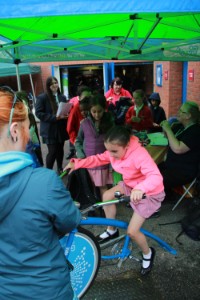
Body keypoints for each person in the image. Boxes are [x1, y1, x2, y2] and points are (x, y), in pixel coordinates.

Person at [0, 87, 81, 299]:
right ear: (15, 130)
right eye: (29, 128)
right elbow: (69, 221)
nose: (30, 136)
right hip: (46, 289)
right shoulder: (44, 183)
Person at [64, 125, 165, 275]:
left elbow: (156, 177)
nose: (110, 155)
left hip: (148, 192)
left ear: (127, 145)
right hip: (131, 185)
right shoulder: (114, 151)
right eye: (109, 150)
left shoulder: (139, 154)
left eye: (114, 151)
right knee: (107, 196)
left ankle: (148, 253)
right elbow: (99, 159)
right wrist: (77, 163)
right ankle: (112, 230)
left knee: (132, 232)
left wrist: (141, 188)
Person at [75, 94, 114, 198]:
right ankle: (95, 207)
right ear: (89, 110)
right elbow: (78, 141)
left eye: (100, 111)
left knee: (102, 186)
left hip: (102, 163)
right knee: (90, 187)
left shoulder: (110, 123)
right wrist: (80, 154)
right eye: (94, 112)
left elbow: (114, 141)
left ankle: (105, 207)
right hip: (88, 162)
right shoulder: (84, 123)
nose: (97, 114)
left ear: (104, 109)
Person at [160, 101, 200, 195]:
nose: (178, 112)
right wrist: (165, 129)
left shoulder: (196, 131)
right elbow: (169, 140)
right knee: (149, 170)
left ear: (188, 116)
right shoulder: (180, 126)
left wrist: (168, 129)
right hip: (171, 165)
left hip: (183, 171)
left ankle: (150, 202)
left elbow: (178, 149)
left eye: (181, 111)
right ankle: (160, 195)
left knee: (154, 178)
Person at [35, 76, 69, 174]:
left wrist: (66, 114)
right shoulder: (42, 97)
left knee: (60, 150)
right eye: (52, 83)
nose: (55, 85)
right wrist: (54, 117)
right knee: (52, 151)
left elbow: (64, 110)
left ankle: (59, 168)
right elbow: (39, 113)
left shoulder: (62, 97)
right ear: (48, 86)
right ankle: (48, 172)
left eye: (56, 82)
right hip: (49, 130)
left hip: (61, 128)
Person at [16, 90, 44, 167]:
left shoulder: (30, 116)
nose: (26, 107)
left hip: (34, 152)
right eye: (22, 104)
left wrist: (39, 155)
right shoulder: (14, 121)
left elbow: (35, 136)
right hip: (23, 158)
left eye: (26, 103)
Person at [66, 86, 92, 159]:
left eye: (90, 97)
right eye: (85, 97)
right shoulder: (75, 109)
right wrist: (76, 142)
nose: (88, 99)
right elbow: (69, 128)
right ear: (79, 98)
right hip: (80, 142)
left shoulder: (93, 107)